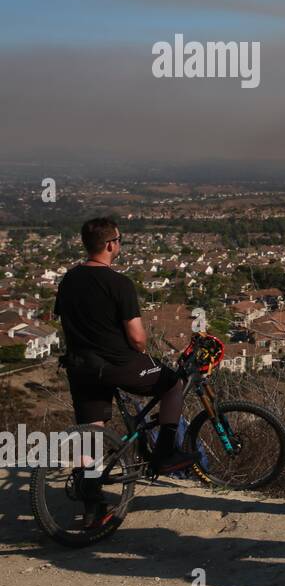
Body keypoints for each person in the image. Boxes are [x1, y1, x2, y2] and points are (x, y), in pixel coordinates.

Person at [54, 218, 200, 528]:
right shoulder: (118, 284)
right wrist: (139, 350)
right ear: (110, 244)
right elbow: (137, 338)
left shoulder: (68, 280)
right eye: (119, 240)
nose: (119, 244)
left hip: (80, 366)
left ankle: (91, 503)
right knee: (172, 384)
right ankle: (165, 454)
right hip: (116, 363)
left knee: (91, 430)